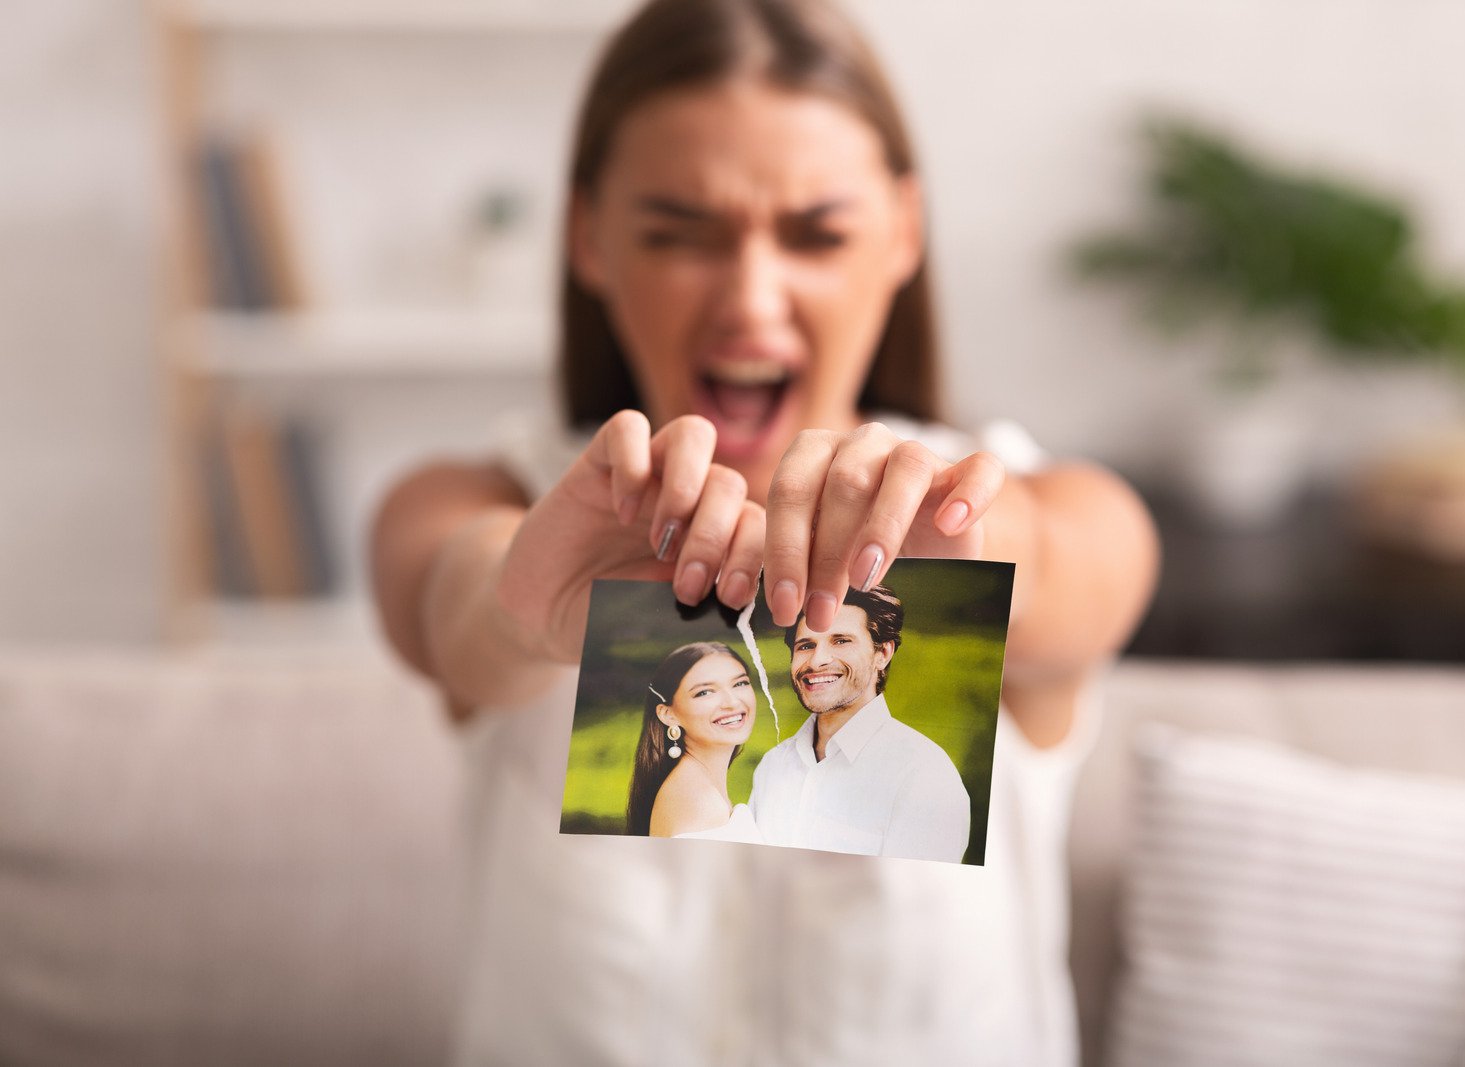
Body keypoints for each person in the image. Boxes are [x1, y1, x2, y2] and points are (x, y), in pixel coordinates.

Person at [369, 0, 1159, 1062]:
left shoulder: (1023, 500)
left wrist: (974, 530)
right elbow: (448, 593)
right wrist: (524, 606)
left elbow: (1091, 569)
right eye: (677, 233)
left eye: (816, 234)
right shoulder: (487, 493)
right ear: (588, 236)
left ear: (902, 234)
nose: (750, 299)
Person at [751, 584, 971, 862]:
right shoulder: (773, 766)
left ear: (883, 654)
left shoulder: (924, 775)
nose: (817, 661)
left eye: (841, 641)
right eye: (806, 645)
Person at [626, 641, 763, 842]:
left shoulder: (691, 787)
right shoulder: (702, 803)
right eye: (704, 692)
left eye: (740, 683)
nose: (732, 702)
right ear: (668, 714)